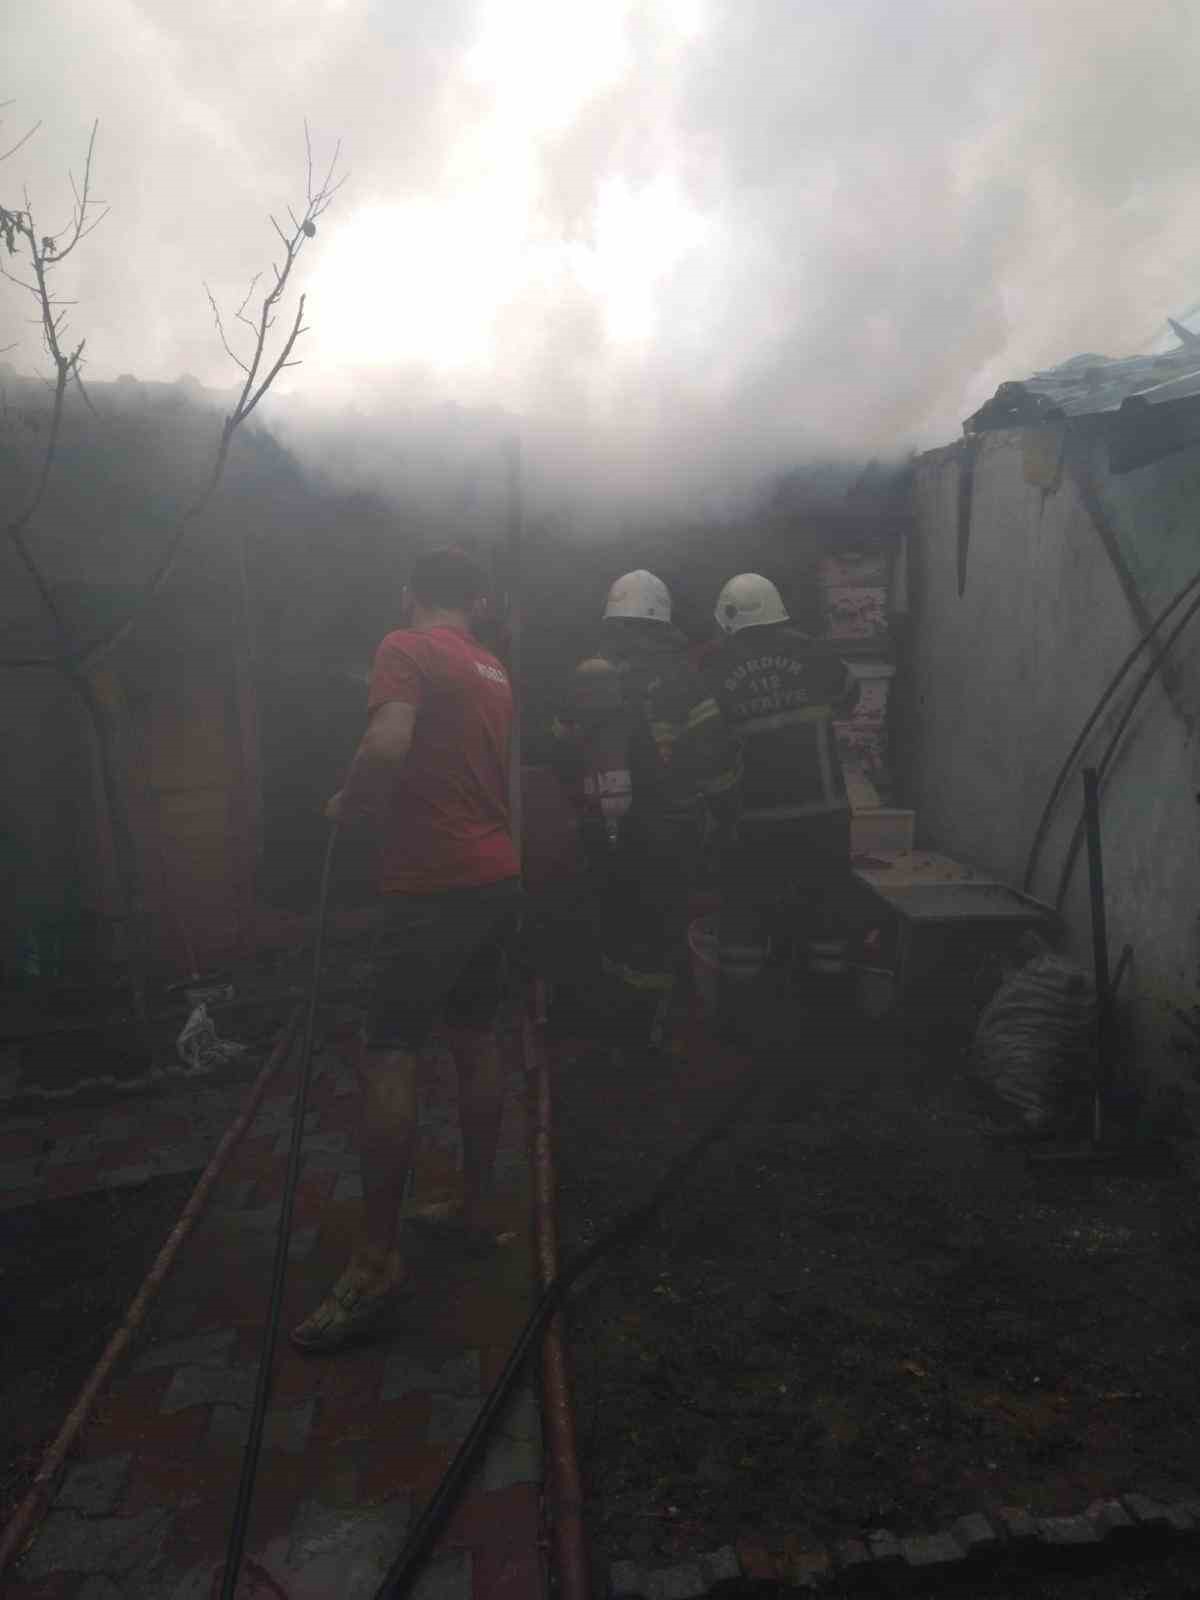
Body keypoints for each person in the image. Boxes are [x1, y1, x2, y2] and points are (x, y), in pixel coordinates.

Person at [292, 545, 521, 1353]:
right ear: (479, 601)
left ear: (409, 593)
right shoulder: (493, 670)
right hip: (496, 876)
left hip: (430, 887)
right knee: (476, 1038)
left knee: (390, 1056)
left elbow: (388, 746)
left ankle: (377, 1260)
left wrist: (351, 807)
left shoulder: (405, 648)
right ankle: (473, 1203)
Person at [551, 570, 740, 1049]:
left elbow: (561, 747)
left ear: (613, 621)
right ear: (663, 622)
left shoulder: (590, 675)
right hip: (667, 833)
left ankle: (609, 1030)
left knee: (613, 927)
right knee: (656, 941)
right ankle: (647, 1038)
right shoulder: (684, 679)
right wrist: (725, 816)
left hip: (602, 829)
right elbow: (713, 754)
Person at [707, 573, 860, 1037]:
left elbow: (707, 743)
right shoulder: (815, 653)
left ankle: (742, 1028)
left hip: (755, 823)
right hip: (824, 819)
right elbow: (851, 700)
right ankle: (830, 1027)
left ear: (729, 618)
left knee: (747, 925)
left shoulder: (716, 668)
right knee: (825, 920)